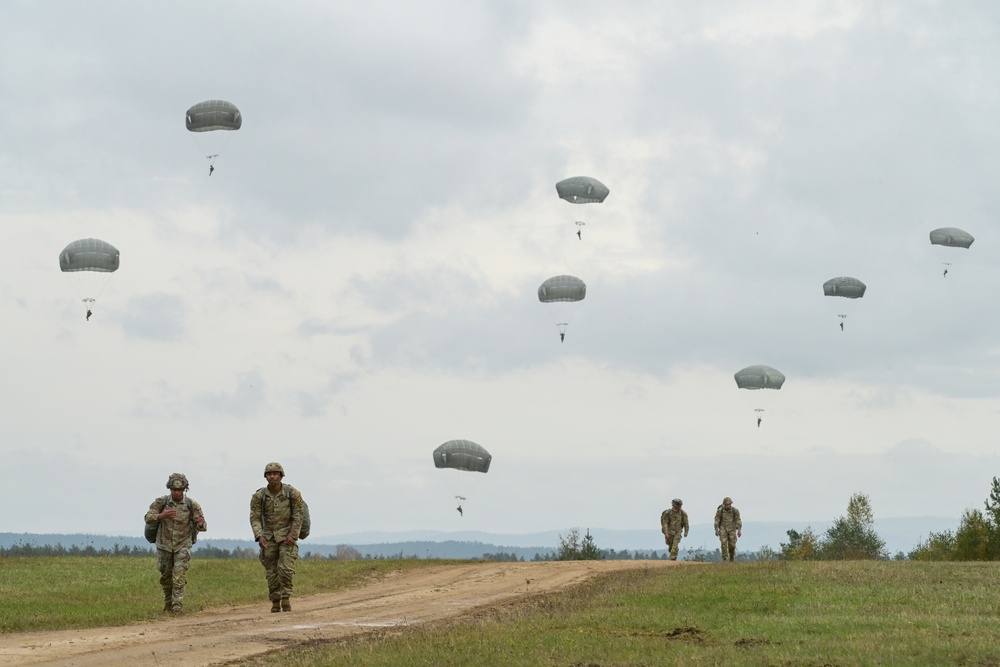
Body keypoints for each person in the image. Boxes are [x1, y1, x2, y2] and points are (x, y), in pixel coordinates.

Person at [144, 473, 207, 613]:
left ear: (184, 490)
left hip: (183, 545)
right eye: (174, 489)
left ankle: (177, 605)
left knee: (179, 575)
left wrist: (201, 524)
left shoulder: (192, 505)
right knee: (166, 576)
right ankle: (168, 602)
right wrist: (161, 516)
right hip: (163, 545)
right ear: (170, 489)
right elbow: (147, 517)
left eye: (180, 490)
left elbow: (203, 526)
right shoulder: (161, 502)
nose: (177, 492)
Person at [250, 462, 305, 612]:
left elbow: (298, 515)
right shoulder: (259, 496)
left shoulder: (292, 493)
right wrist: (259, 535)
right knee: (271, 572)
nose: (272, 476)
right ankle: (275, 600)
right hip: (268, 537)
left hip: (287, 536)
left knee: (285, 569)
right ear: (265, 476)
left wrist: (293, 535)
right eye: (269, 474)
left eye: (275, 474)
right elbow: (254, 517)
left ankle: (286, 598)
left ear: (281, 475)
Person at [714, 496, 742, 563]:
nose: (728, 506)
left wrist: (739, 530)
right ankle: (725, 559)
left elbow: (738, 520)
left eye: (729, 505)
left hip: (732, 529)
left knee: (732, 545)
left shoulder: (735, 511)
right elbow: (717, 520)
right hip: (723, 529)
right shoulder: (720, 511)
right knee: (723, 544)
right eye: (726, 505)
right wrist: (716, 530)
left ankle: (731, 558)